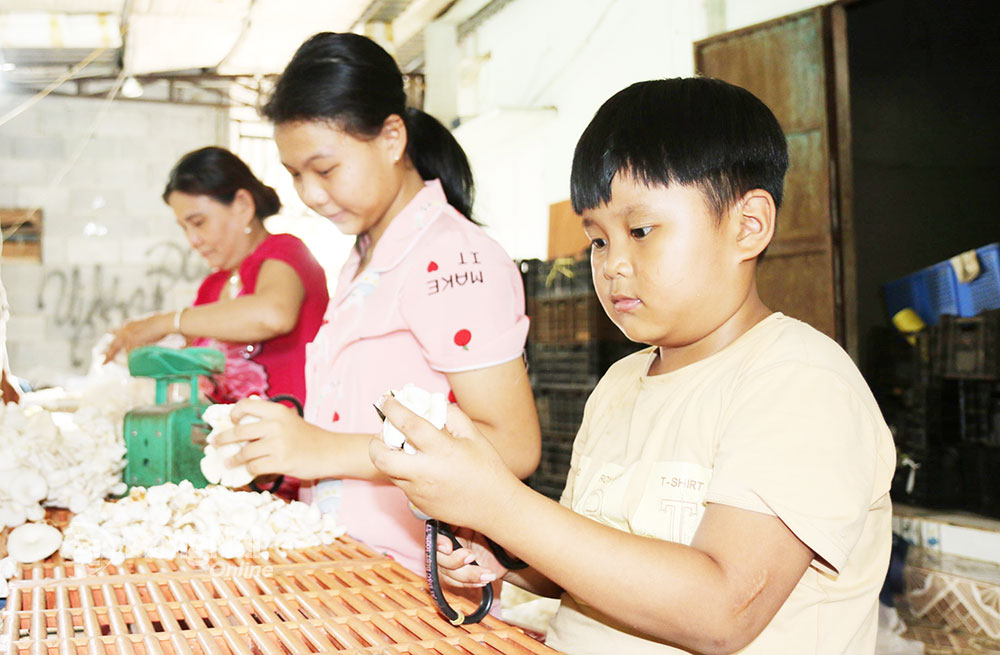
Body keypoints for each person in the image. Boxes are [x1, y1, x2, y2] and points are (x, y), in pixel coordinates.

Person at [370, 77, 896, 654]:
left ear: (748, 225)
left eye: (641, 231)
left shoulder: (799, 383)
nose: (614, 264)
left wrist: (499, 502)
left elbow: (725, 611)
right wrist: (502, 551)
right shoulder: (621, 382)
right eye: (597, 240)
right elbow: (590, 553)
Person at [215, 32, 541, 574]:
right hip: (351, 571)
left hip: (421, 584)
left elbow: (512, 446)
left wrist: (319, 450)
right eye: (296, 175)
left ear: (391, 137)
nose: (311, 194)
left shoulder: (453, 259)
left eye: (325, 169)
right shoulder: (365, 258)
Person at [105, 146, 329, 410]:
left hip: (293, 438)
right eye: (184, 228)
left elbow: (272, 314)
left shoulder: (286, 252)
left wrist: (166, 322)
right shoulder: (213, 287)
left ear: (243, 206)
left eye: (198, 223)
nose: (193, 240)